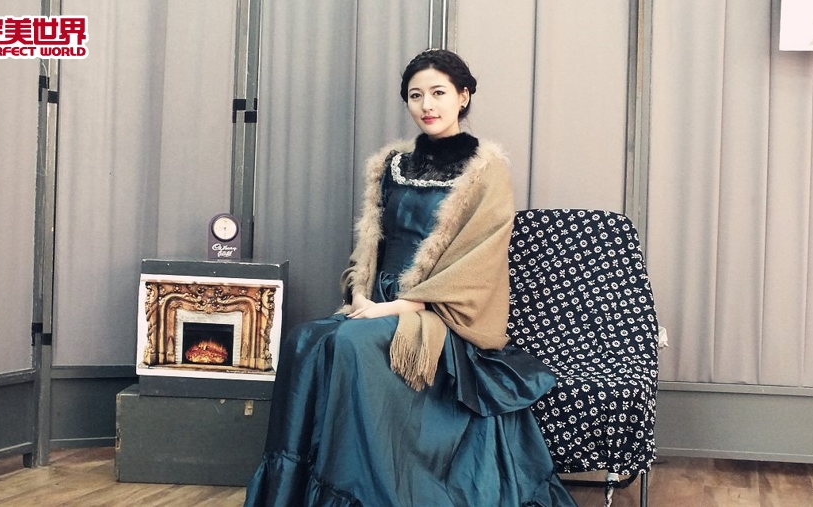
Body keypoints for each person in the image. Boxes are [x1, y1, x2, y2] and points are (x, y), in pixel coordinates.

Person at [244, 49, 578, 507]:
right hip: (378, 299)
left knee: (351, 345)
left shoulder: (486, 172)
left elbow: (476, 265)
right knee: (303, 340)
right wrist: (361, 293)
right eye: (416, 95)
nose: (427, 105)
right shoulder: (391, 165)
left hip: (437, 313)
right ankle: (291, 495)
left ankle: (363, 493)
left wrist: (396, 307)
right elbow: (371, 244)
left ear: (463, 97)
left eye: (439, 93)